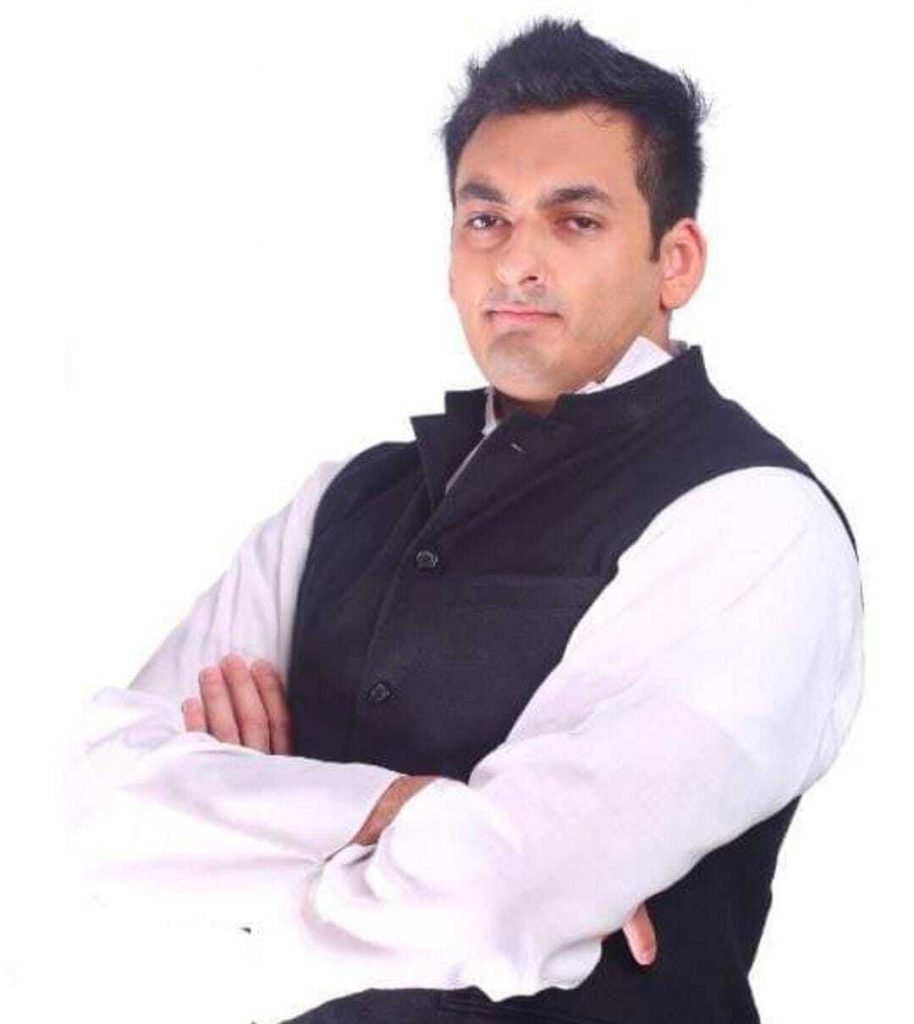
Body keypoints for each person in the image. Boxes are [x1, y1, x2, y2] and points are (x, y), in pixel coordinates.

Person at [66, 16, 864, 1024]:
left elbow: (499, 892)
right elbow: (99, 809)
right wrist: (393, 810)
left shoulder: (754, 520)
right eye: (485, 219)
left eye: (574, 222)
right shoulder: (337, 502)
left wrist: (237, 856)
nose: (516, 263)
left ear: (675, 260)